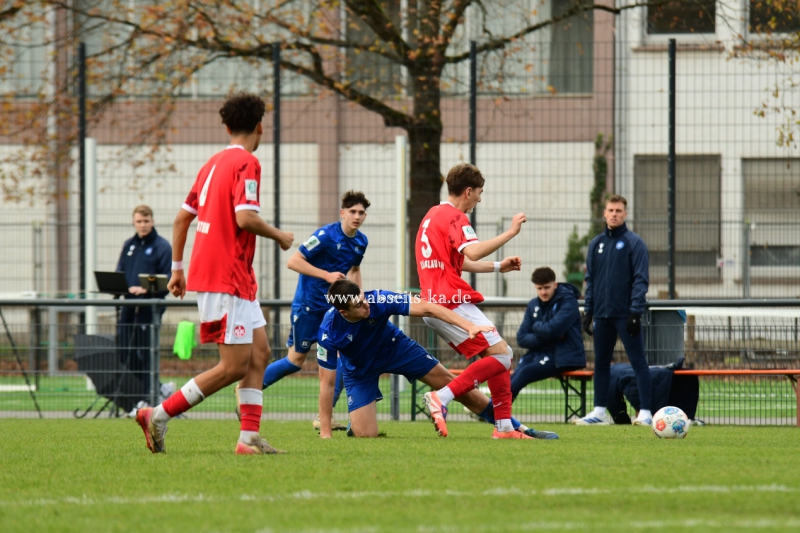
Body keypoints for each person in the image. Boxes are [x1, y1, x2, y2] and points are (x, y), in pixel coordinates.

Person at [135, 93, 294, 455]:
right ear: (260, 127)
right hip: (227, 276)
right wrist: (280, 236)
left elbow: (181, 219)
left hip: (228, 275)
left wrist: (177, 270)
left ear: (226, 127)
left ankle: (249, 437)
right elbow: (245, 218)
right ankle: (157, 415)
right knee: (233, 366)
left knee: (260, 353)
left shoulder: (212, 163)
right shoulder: (247, 163)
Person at [318, 280, 550, 438]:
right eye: (359, 305)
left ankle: (514, 426)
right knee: (365, 435)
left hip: (395, 348)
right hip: (359, 370)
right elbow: (327, 384)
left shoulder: (378, 299)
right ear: (344, 312)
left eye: (363, 298)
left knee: (455, 386)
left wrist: (468, 324)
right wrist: (326, 433)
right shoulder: (328, 331)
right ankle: (355, 422)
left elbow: (428, 308)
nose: (366, 305)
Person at [415, 162, 533, 439]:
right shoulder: (456, 217)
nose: (479, 199)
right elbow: (474, 251)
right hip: (450, 301)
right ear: (468, 191)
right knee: (503, 355)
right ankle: (441, 397)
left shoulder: (432, 215)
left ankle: (504, 428)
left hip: (431, 304)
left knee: (496, 355)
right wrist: (511, 232)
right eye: (479, 193)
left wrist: (498, 266)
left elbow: (457, 261)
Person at [258, 191, 369, 439]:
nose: (357, 216)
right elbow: (293, 262)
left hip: (336, 310)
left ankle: (323, 418)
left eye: (361, 212)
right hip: (309, 307)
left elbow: (354, 269)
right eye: (352, 211)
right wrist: (326, 275)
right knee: (295, 361)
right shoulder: (325, 235)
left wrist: (358, 296)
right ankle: (250, 387)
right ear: (343, 213)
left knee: (343, 358)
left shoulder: (361, 241)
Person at [575, 194, 652, 426]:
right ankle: (599, 411)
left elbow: (641, 279)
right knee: (600, 362)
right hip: (601, 314)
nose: (614, 214)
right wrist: (588, 311)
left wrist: (635, 311)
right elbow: (590, 279)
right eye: (611, 210)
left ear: (625, 214)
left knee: (638, 361)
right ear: (605, 213)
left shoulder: (634, 243)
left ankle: (646, 412)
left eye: (619, 210)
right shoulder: (595, 244)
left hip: (626, 314)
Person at [115, 204, 172, 414]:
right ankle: (155, 389)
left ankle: (149, 396)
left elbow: (167, 280)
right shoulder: (129, 245)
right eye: (139, 221)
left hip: (149, 310)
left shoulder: (162, 246)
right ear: (134, 222)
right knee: (124, 352)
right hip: (128, 307)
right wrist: (122, 287)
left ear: (153, 221)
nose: (143, 225)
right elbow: (119, 272)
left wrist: (146, 289)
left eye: (146, 221)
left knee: (146, 352)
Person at [511, 267, 586, 402]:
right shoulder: (533, 304)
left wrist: (536, 326)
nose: (543, 292)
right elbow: (521, 338)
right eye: (539, 288)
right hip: (538, 353)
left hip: (564, 356)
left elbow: (553, 330)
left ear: (555, 285)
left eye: (547, 287)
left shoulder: (568, 301)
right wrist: (547, 336)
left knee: (525, 373)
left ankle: (492, 410)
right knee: (512, 376)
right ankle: (493, 408)